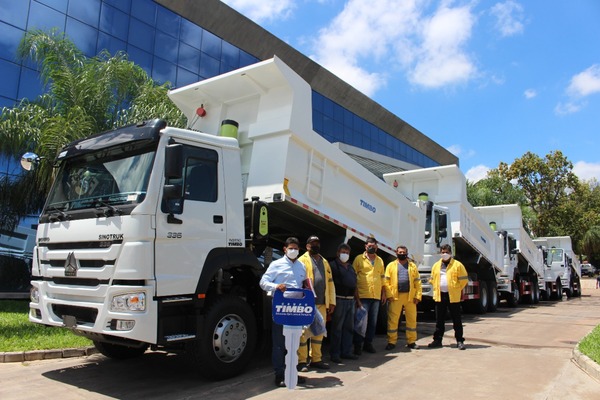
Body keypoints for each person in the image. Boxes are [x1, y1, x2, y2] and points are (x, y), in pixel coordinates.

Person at [259, 237, 308, 387]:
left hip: (297, 311)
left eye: (296, 248)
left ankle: (292, 373)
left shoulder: (301, 266)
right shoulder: (276, 264)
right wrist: (276, 286)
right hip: (281, 310)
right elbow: (263, 282)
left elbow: (305, 285)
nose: (293, 251)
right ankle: (279, 374)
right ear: (285, 249)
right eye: (290, 248)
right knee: (280, 344)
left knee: (293, 344)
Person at [297, 235, 336, 371]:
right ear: (307, 246)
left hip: (321, 302)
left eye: (317, 243)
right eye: (312, 244)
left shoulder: (324, 261)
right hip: (307, 303)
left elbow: (330, 283)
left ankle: (316, 359)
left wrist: (331, 301)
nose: (315, 246)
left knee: (319, 332)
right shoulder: (301, 260)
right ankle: (301, 361)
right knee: (303, 333)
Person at [428, 244, 469, 350]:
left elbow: (464, 279)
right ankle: (437, 340)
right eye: (443, 252)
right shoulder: (436, 265)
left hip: (453, 296)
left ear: (450, 253)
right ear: (440, 253)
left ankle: (459, 340)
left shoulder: (457, 265)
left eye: (446, 252)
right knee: (439, 320)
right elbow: (432, 279)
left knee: (456, 319)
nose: (444, 254)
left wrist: (456, 288)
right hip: (440, 295)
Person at [383, 245, 422, 350]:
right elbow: (386, 282)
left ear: (407, 253)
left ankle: (411, 341)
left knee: (411, 320)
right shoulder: (391, 266)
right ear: (396, 253)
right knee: (393, 320)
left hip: (410, 297)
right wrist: (389, 295)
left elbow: (418, 282)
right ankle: (391, 341)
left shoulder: (412, 266)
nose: (401, 254)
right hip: (395, 297)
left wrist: (418, 296)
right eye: (399, 252)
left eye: (403, 252)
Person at [353, 237, 386, 354]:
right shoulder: (358, 259)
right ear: (365, 246)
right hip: (363, 296)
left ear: (377, 247)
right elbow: (353, 278)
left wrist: (383, 293)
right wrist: (356, 296)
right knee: (361, 322)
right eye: (369, 246)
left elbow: (382, 278)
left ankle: (368, 343)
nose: (372, 247)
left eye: (374, 246)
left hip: (376, 296)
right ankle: (357, 345)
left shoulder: (380, 261)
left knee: (372, 322)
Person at [329, 242, 359, 363]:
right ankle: (335, 354)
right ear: (338, 253)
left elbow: (355, 284)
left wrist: (358, 300)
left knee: (349, 328)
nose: (345, 255)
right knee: (337, 328)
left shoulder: (350, 267)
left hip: (350, 301)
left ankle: (346, 352)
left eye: (347, 253)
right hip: (339, 300)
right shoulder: (333, 265)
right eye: (343, 252)